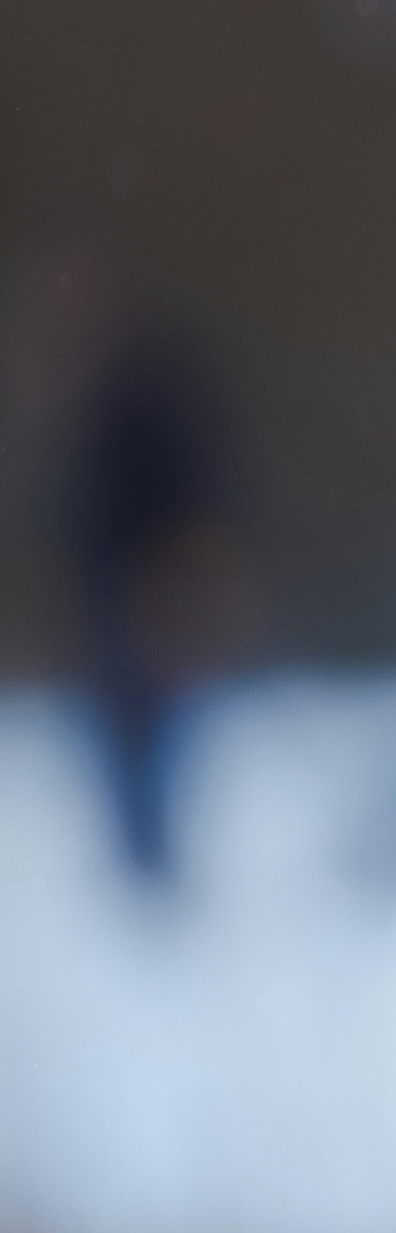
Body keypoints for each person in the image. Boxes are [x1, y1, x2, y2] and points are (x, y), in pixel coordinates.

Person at [32, 265, 245, 892]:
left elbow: (177, 501)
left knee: (145, 740)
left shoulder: (138, 401)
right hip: (115, 603)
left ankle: (150, 873)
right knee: (129, 742)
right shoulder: (103, 399)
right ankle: (143, 871)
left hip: (145, 602)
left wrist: (177, 575)